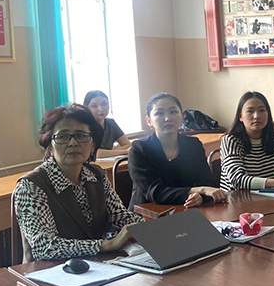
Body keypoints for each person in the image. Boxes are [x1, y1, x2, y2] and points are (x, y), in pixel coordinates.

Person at [13, 105, 144, 261]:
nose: (73, 143)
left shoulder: (96, 175)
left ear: (93, 145)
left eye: (81, 135)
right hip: (50, 270)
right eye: (63, 137)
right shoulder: (31, 186)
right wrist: (107, 245)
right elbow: (45, 247)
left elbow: (120, 217)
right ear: (49, 146)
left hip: (96, 265)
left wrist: (152, 228)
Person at [128, 93, 227, 208]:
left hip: (185, 209)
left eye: (173, 112)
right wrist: (199, 190)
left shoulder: (193, 145)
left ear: (182, 118)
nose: (167, 118)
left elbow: (207, 184)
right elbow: (155, 192)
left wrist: (200, 196)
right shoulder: (139, 149)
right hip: (147, 213)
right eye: (159, 113)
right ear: (149, 121)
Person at [220, 92, 274, 191]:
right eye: (250, 111)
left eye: (262, 110)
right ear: (240, 116)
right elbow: (237, 180)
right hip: (237, 198)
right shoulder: (230, 140)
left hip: (271, 196)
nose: (256, 116)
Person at [83, 90, 131, 158]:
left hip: (108, 162)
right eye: (94, 106)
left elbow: (128, 144)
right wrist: (125, 151)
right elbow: (96, 153)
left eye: (104, 104)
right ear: (86, 108)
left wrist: (109, 152)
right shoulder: (84, 126)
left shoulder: (111, 123)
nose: (101, 109)